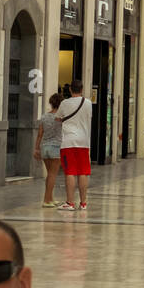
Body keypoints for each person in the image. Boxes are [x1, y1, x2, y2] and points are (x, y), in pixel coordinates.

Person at [55, 80, 92, 211]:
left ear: (70, 89)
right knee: (83, 172)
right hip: (84, 142)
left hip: (68, 142)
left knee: (70, 171)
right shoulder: (88, 103)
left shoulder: (65, 103)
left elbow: (58, 118)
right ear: (82, 89)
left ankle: (70, 203)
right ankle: (83, 203)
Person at [33, 93, 62, 207]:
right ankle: (46, 200)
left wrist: (36, 148)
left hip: (44, 147)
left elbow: (40, 134)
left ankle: (50, 198)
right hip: (56, 147)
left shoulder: (44, 116)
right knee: (52, 174)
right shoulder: (61, 118)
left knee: (50, 174)